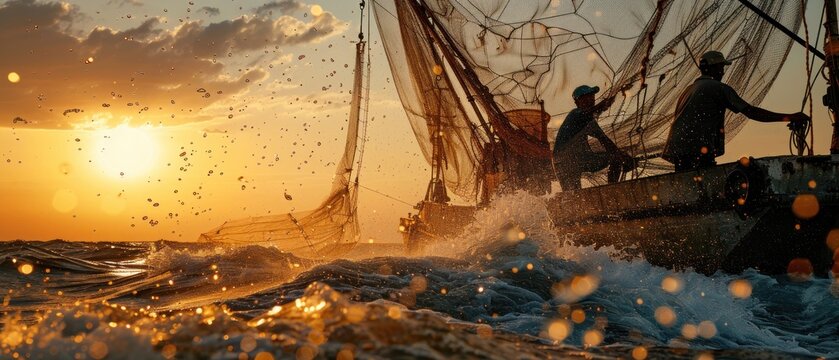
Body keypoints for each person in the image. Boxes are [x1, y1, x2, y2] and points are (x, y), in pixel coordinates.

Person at [662, 51, 810, 171]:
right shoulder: (719, 88)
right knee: (704, 182)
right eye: (721, 68)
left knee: (687, 184)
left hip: (677, 148)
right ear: (714, 68)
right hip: (698, 147)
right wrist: (790, 117)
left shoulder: (688, 90)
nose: (722, 72)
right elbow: (752, 112)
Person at [554, 85, 632, 190]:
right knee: (573, 195)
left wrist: (622, 157)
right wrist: (604, 103)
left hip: (581, 159)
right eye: (585, 98)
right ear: (577, 102)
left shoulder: (590, 122)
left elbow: (605, 141)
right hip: (564, 162)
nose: (590, 100)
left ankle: (612, 190)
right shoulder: (575, 115)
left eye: (592, 97)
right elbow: (590, 111)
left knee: (615, 157)